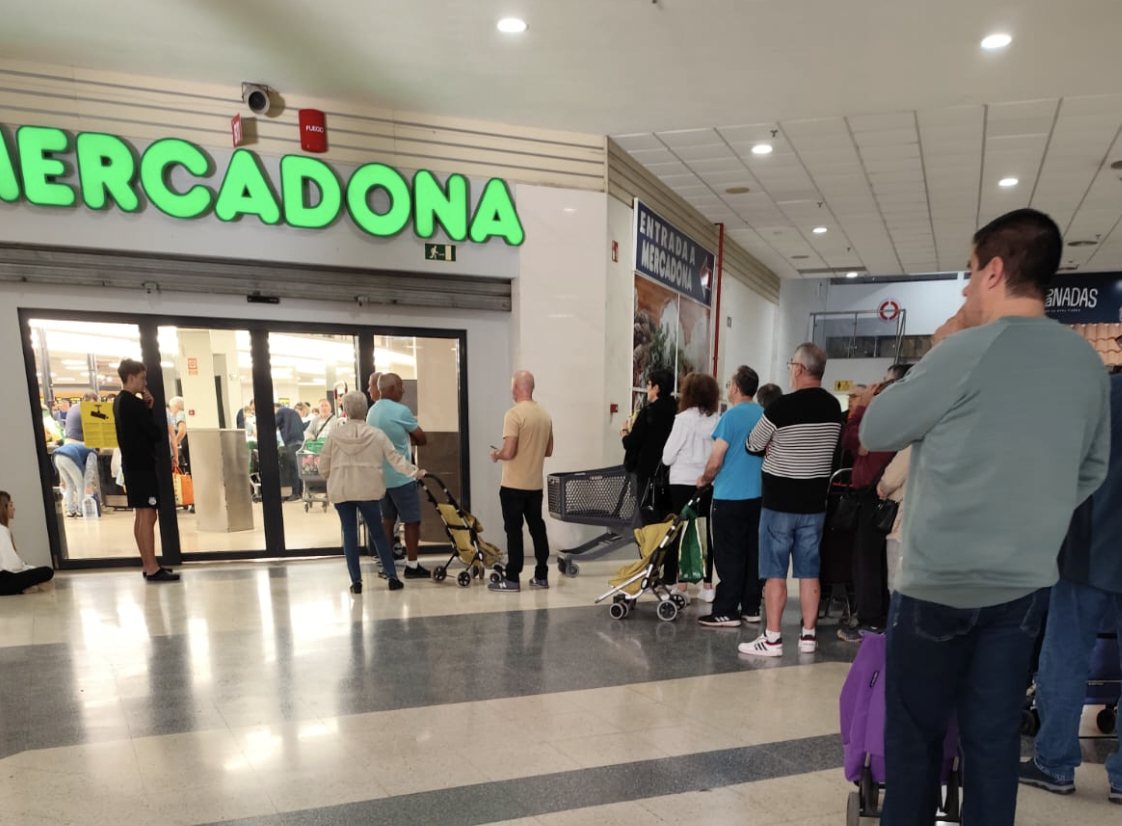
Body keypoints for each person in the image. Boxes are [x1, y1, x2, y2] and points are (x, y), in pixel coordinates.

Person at [860, 208, 1110, 826]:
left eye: (970, 273)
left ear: (995, 271)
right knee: (993, 743)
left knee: (915, 742)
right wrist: (1032, 516)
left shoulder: (964, 350)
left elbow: (877, 427)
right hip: (1022, 586)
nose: (966, 290)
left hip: (936, 583)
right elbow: (1091, 469)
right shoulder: (1086, 364)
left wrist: (940, 346)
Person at [1019, 371, 1122, 801]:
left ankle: (1054, 763)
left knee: (1065, 655)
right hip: (1091, 543)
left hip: (1086, 543)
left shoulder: (1099, 394)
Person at [740, 343, 842, 657]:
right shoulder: (833, 407)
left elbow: (752, 444)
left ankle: (772, 639)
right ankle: (808, 636)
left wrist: (773, 445)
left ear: (799, 369)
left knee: (775, 572)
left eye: (790, 364)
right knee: (810, 572)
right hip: (815, 504)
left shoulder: (781, 407)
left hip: (779, 503)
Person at [319, 391, 425, 594]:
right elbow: (395, 460)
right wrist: (415, 472)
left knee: (349, 534)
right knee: (378, 533)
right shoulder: (377, 435)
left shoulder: (335, 435)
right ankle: (392, 577)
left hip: (342, 490)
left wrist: (329, 475)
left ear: (345, 410)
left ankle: (356, 582)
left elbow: (323, 465)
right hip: (368, 491)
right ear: (365, 410)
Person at [696, 366, 765, 626]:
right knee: (753, 553)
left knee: (729, 554)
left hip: (729, 497)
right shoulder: (765, 415)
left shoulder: (730, 417)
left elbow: (716, 459)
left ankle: (726, 610)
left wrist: (704, 479)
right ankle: (751, 607)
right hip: (758, 496)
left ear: (735, 387)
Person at [836, 381, 896, 642]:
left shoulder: (883, 420)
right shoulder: (885, 421)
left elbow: (849, 438)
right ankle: (875, 616)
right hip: (873, 496)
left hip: (875, 496)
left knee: (868, 561)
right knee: (872, 560)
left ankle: (871, 620)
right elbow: (854, 445)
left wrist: (861, 410)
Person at [113, 359, 179, 582]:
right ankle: (151, 566)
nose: (145, 383)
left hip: (132, 465)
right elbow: (155, 433)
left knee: (141, 514)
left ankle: (147, 563)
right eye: (142, 378)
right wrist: (148, 409)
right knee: (149, 514)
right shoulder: (133, 403)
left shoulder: (119, 401)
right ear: (131, 377)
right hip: (142, 466)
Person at [489, 370, 553, 592]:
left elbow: (509, 451)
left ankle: (512, 578)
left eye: (512, 387)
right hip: (535, 486)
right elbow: (549, 450)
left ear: (517, 388)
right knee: (537, 528)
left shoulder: (514, 414)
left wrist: (497, 454)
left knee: (514, 531)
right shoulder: (544, 415)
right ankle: (541, 576)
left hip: (513, 486)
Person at [661, 372, 720, 602]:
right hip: (706, 482)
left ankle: (682, 586)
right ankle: (708, 586)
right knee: (704, 531)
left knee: (682, 531)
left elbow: (667, 457)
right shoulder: (717, 420)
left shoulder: (682, 420)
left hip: (681, 481)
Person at [367, 373, 430, 579]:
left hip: (382, 478)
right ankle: (412, 566)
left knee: (388, 520)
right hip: (402, 476)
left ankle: (388, 566)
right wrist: (407, 436)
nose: (403, 390)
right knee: (412, 521)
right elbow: (422, 438)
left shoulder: (372, 412)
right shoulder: (401, 411)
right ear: (392, 388)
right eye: (400, 386)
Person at [621, 369, 676, 520]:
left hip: (648, 475)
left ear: (656, 388)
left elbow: (631, 444)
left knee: (649, 520)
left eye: (649, 385)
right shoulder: (678, 412)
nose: (647, 389)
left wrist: (624, 432)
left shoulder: (648, 412)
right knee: (667, 520)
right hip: (671, 476)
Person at [0, 492, 54, 595]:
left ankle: (24, 588)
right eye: (11, 505)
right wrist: (27, 567)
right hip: (3, 580)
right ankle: (23, 587)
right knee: (47, 571)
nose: (13, 509)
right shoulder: (1, 531)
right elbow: (11, 566)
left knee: (29, 571)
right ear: (3, 508)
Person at [875, 446, 910, 594]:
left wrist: (882, 486)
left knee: (898, 587)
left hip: (907, 525)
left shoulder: (917, 443)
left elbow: (890, 481)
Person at [52, 441, 97, 518]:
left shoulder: (82, 446)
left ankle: (70, 510)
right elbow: (89, 470)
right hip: (68, 458)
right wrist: (88, 485)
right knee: (80, 485)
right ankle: (81, 510)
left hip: (56, 457)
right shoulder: (92, 451)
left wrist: (62, 481)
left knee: (69, 484)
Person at [274, 402, 305, 501]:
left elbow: (272, 424)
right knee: (298, 467)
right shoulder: (293, 412)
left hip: (291, 442)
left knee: (293, 468)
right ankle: (300, 492)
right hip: (300, 442)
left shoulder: (281, 411)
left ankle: (296, 493)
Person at [168, 396, 188, 471]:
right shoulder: (181, 414)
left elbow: (182, 431)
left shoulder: (180, 414)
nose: (170, 410)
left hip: (185, 442)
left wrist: (174, 443)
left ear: (176, 406)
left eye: (171, 407)